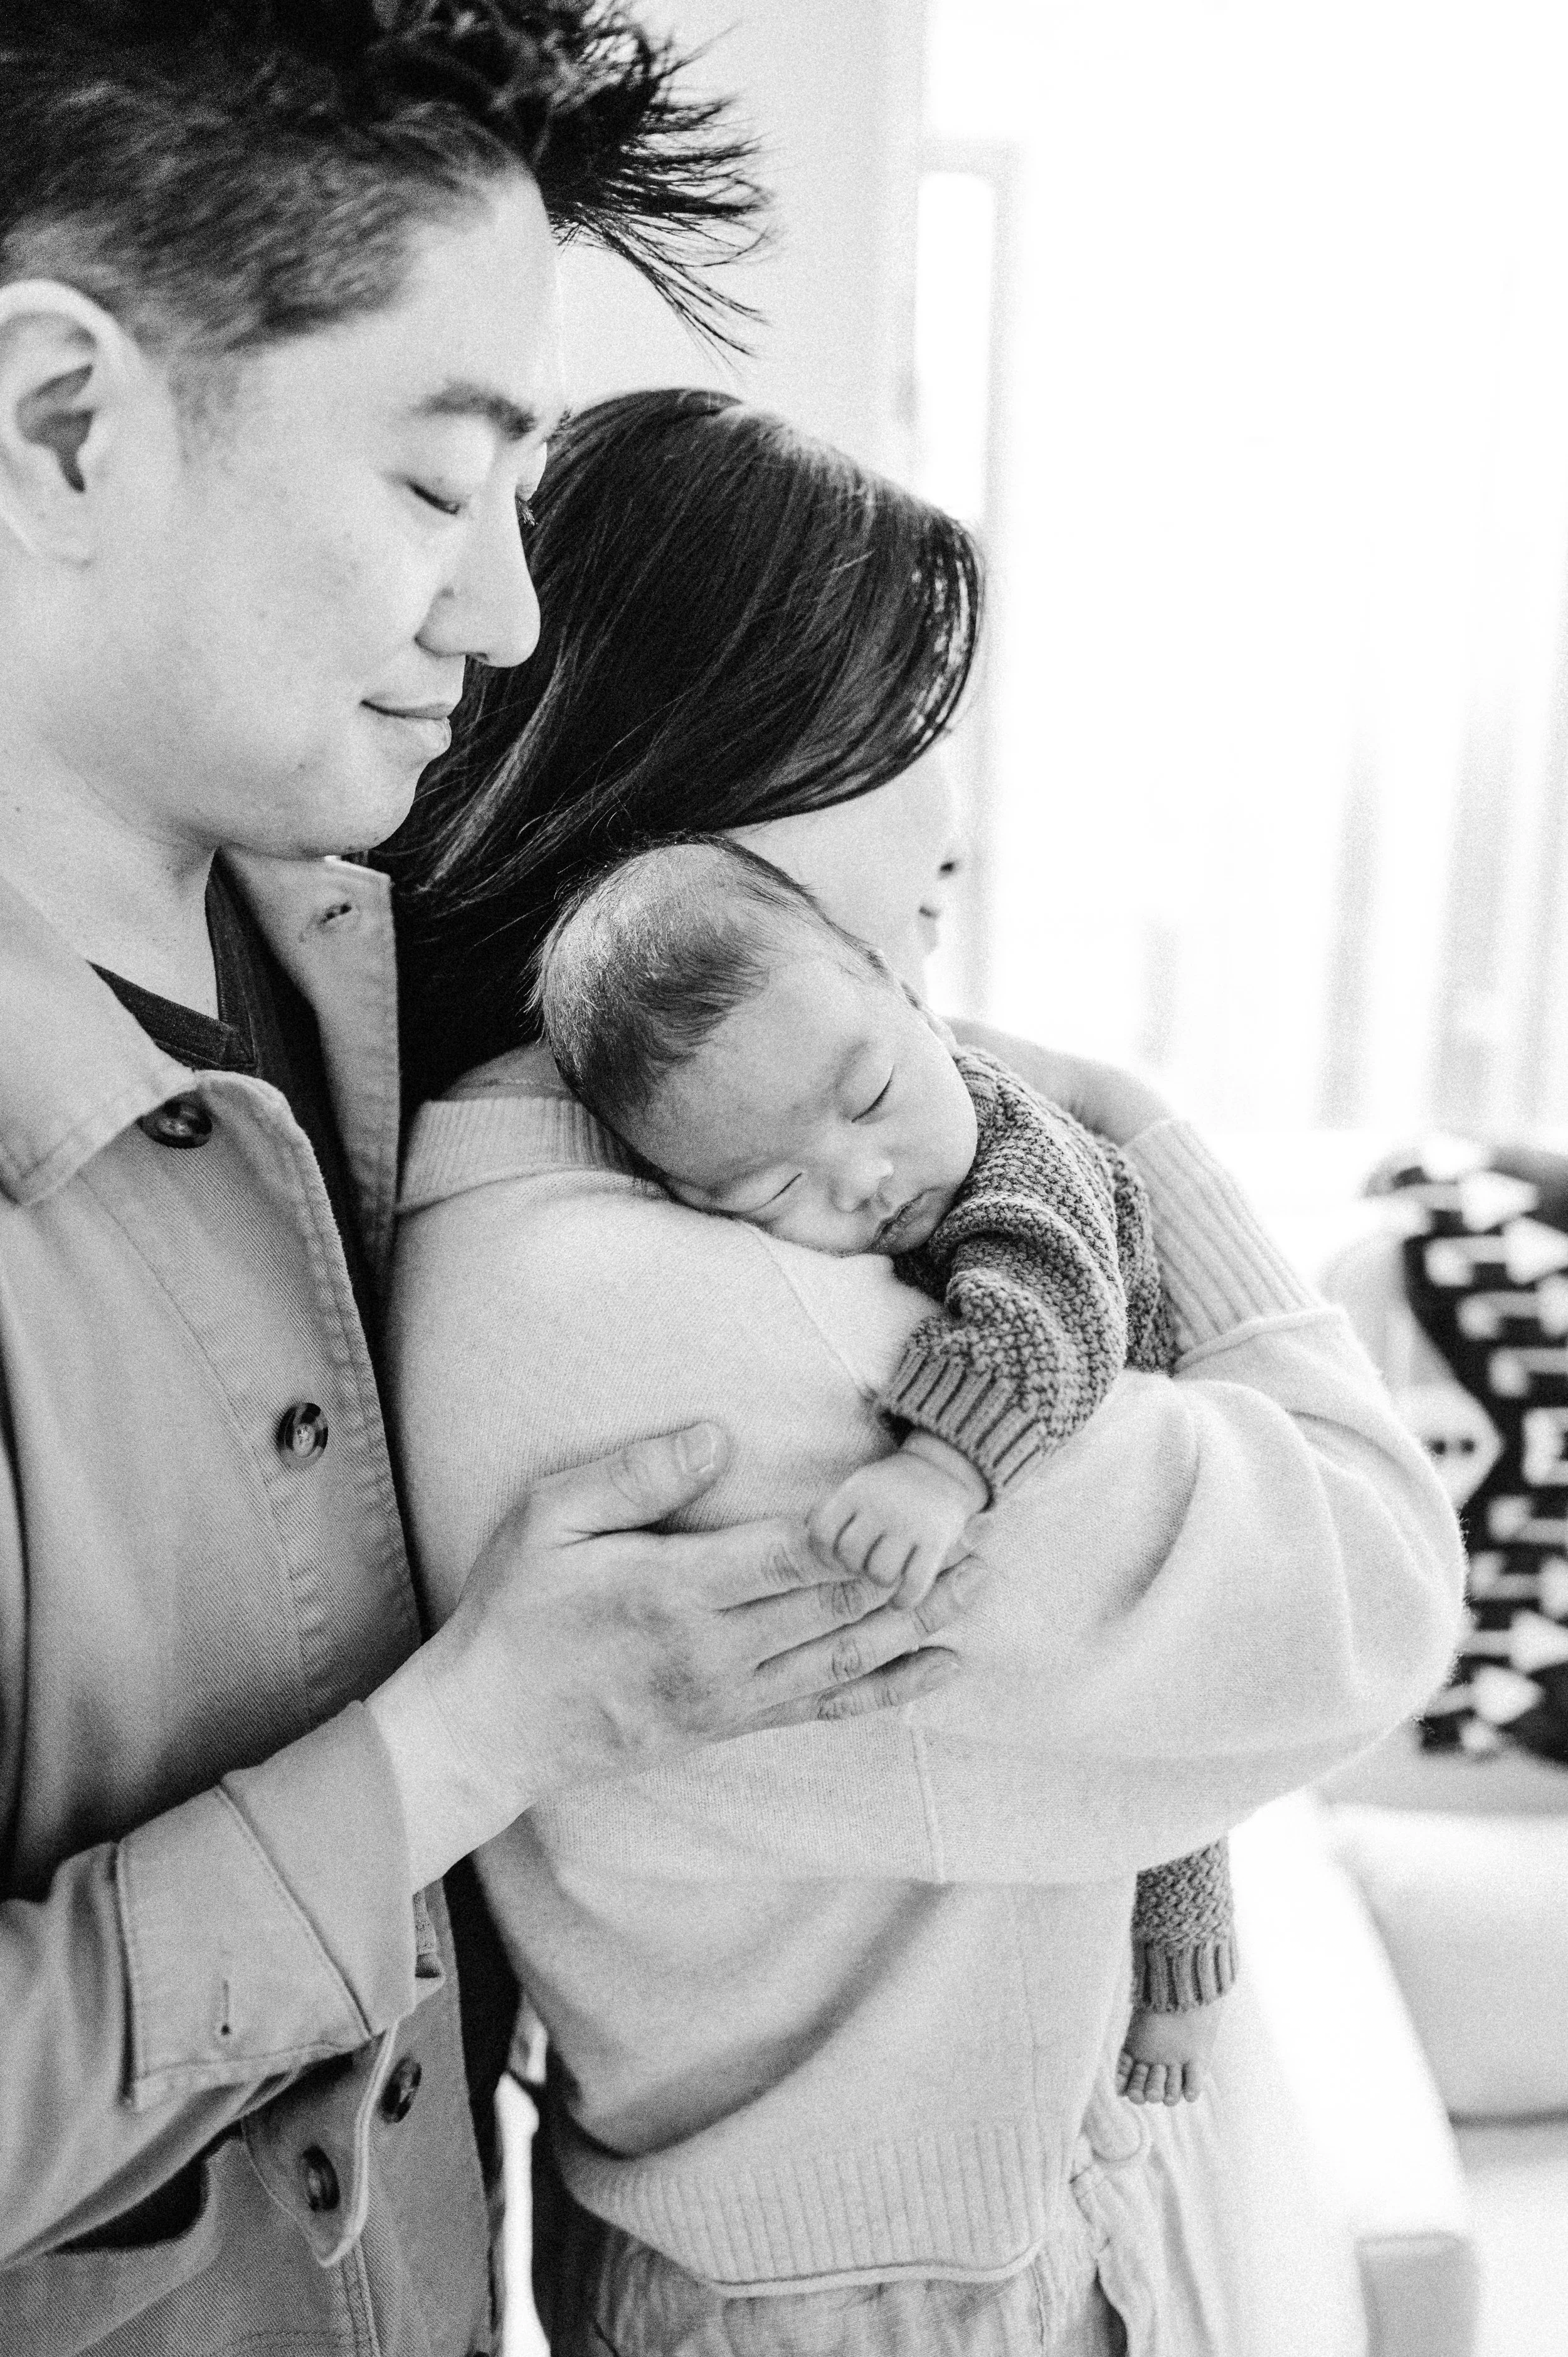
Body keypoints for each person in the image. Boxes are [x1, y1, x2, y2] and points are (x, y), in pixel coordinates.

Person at [0, 15, 974, 2354]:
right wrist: (462, 1742)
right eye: (441, 490)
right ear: (59, 422)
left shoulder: (356, 968)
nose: (506, 615)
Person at [383, 387, 1465, 2354]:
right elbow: (1372, 1584)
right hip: (884, 2284)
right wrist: (1136, 1133)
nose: (948, 813)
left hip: (856, 2232)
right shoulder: (674, 1312)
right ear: (711, 785)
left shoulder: (628, 1196)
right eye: (893, 742)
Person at [534, 832, 1236, 2104]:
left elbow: (1049, 1304)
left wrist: (938, 1470)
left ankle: (1188, 1996)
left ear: (906, 992)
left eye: (867, 1101)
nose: (861, 1180)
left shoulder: (1028, 1156)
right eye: (767, 1187)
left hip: (1162, 1485)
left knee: (1179, 1811)